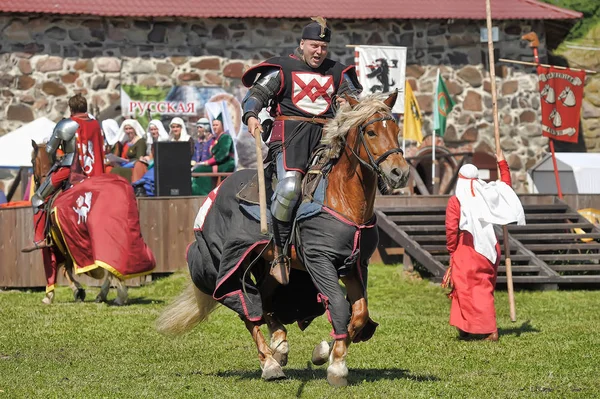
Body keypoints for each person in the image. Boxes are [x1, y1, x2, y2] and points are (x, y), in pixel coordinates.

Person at [240, 16, 362, 277]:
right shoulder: (282, 68)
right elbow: (255, 97)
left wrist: (345, 103)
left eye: (323, 47)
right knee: (290, 187)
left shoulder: (337, 71)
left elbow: (352, 98)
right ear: (302, 44)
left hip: (327, 138)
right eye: (314, 46)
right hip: (290, 137)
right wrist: (251, 117)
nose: (319, 52)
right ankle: (280, 252)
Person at [444, 152, 525, 341]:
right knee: (482, 287)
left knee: (468, 290)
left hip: (467, 248)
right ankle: (466, 327)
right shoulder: (488, 192)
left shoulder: (455, 201)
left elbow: (451, 228)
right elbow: (506, 188)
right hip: (490, 248)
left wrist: (452, 251)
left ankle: (489, 330)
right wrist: (502, 164)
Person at [23, 93, 105, 252]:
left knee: (38, 198)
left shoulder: (67, 125)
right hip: (95, 170)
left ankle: (39, 239)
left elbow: (49, 150)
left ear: (71, 108)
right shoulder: (95, 124)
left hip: (71, 169)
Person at [191, 114, 235, 195]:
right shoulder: (218, 138)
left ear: (222, 125)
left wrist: (206, 163)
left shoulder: (226, 137)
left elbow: (222, 155)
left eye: (217, 125)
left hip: (225, 165)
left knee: (199, 170)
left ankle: (204, 194)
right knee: (198, 169)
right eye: (213, 125)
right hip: (218, 164)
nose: (214, 127)